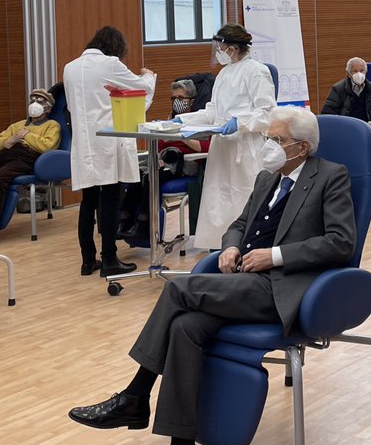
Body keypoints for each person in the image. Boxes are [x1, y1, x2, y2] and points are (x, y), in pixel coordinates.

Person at [67, 107, 355, 445]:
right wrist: (231, 246)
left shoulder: (331, 177)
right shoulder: (267, 177)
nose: (269, 146)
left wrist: (275, 256)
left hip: (280, 288)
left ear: (302, 147)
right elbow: (240, 224)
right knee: (185, 328)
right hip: (242, 281)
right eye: (267, 138)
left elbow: (341, 242)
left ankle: (135, 394)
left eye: (277, 140)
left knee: (177, 290)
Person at [64, 26, 156, 278]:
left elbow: (71, 106)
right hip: (107, 141)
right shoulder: (111, 64)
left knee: (88, 201)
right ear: (116, 47)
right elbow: (141, 89)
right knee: (111, 199)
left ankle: (87, 260)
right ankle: (109, 259)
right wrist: (149, 76)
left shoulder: (70, 67)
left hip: (83, 142)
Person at [175, 24, 276, 252]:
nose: (218, 52)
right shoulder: (223, 74)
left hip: (245, 148)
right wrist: (183, 120)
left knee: (243, 200)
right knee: (218, 202)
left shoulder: (257, 71)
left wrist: (239, 122)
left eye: (220, 47)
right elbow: (213, 112)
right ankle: (220, 252)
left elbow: (267, 113)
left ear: (232, 48)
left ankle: (247, 252)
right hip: (222, 147)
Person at [118, 79, 210, 241]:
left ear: (191, 100)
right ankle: (124, 220)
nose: (176, 102)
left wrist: (182, 136)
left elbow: (206, 147)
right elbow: (160, 144)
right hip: (166, 161)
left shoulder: (201, 122)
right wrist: (158, 156)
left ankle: (144, 225)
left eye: (180, 98)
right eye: (173, 98)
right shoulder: (171, 119)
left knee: (150, 177)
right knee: (137, 175)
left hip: (186, 164)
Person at [0, 89, 62, 247]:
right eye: (33, 100)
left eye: (40, 101)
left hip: (28, 158)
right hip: (8, 154)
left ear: (48, 109)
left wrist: (26, 135)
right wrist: (11, 139)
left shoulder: (52, 125)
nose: (35, 104)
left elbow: (47, 146)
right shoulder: (18, 125)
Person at [320, 58, 371, 205]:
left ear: (366, 71)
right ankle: (344, 192)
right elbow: (327, 113)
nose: (359, 74)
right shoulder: (338, 89)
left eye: (361, 70)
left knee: (370, 160)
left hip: (369, 134)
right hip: (345, 135)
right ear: (348, 73)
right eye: (355, 71)